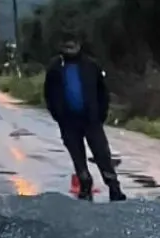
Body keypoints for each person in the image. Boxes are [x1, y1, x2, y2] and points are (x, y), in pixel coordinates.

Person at [44, 37, 125, 202]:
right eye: (66, 45)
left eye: (73, 44)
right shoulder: (55, 68)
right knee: (77, 155)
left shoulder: (90, 65)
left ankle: (113, 186)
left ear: (79, 46)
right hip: (68, 121)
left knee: (102, 153)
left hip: (91, 119)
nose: (70, 48)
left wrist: (100, 114)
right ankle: (85, 185)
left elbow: (102, 92)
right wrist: (57, 114)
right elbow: (49, 94)